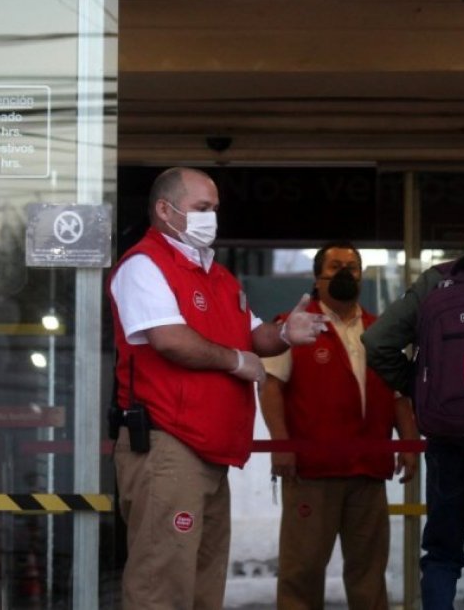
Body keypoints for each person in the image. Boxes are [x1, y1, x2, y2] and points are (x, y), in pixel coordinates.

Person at [109, 166, 327, 610]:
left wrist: (285, 332)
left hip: (210, 451)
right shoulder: (144, 266)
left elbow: (253, 336)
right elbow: (168, 338)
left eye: (215, 209)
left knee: (203, 586)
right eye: (201, 209)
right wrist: (236, 361)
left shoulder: (218, 277)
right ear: (164, 210)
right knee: (161, 587)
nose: (212, 218)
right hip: (167, 445)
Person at [362, 202, 464, 610]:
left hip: (448, 435)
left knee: (443, 552)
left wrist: (415, 385)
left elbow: (377, 342)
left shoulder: (437, 280)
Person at [260, 242, 420, 610]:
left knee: (369, 574)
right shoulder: (293, 327)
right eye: (335, 266)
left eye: (352, 265)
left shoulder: (381, 331)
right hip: (312, 473)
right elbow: (271, 387)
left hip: (369, 471)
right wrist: (281, 446)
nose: (345, 272)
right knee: (302, 572)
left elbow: (398, 397)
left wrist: (409, 445)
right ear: (317, 278)